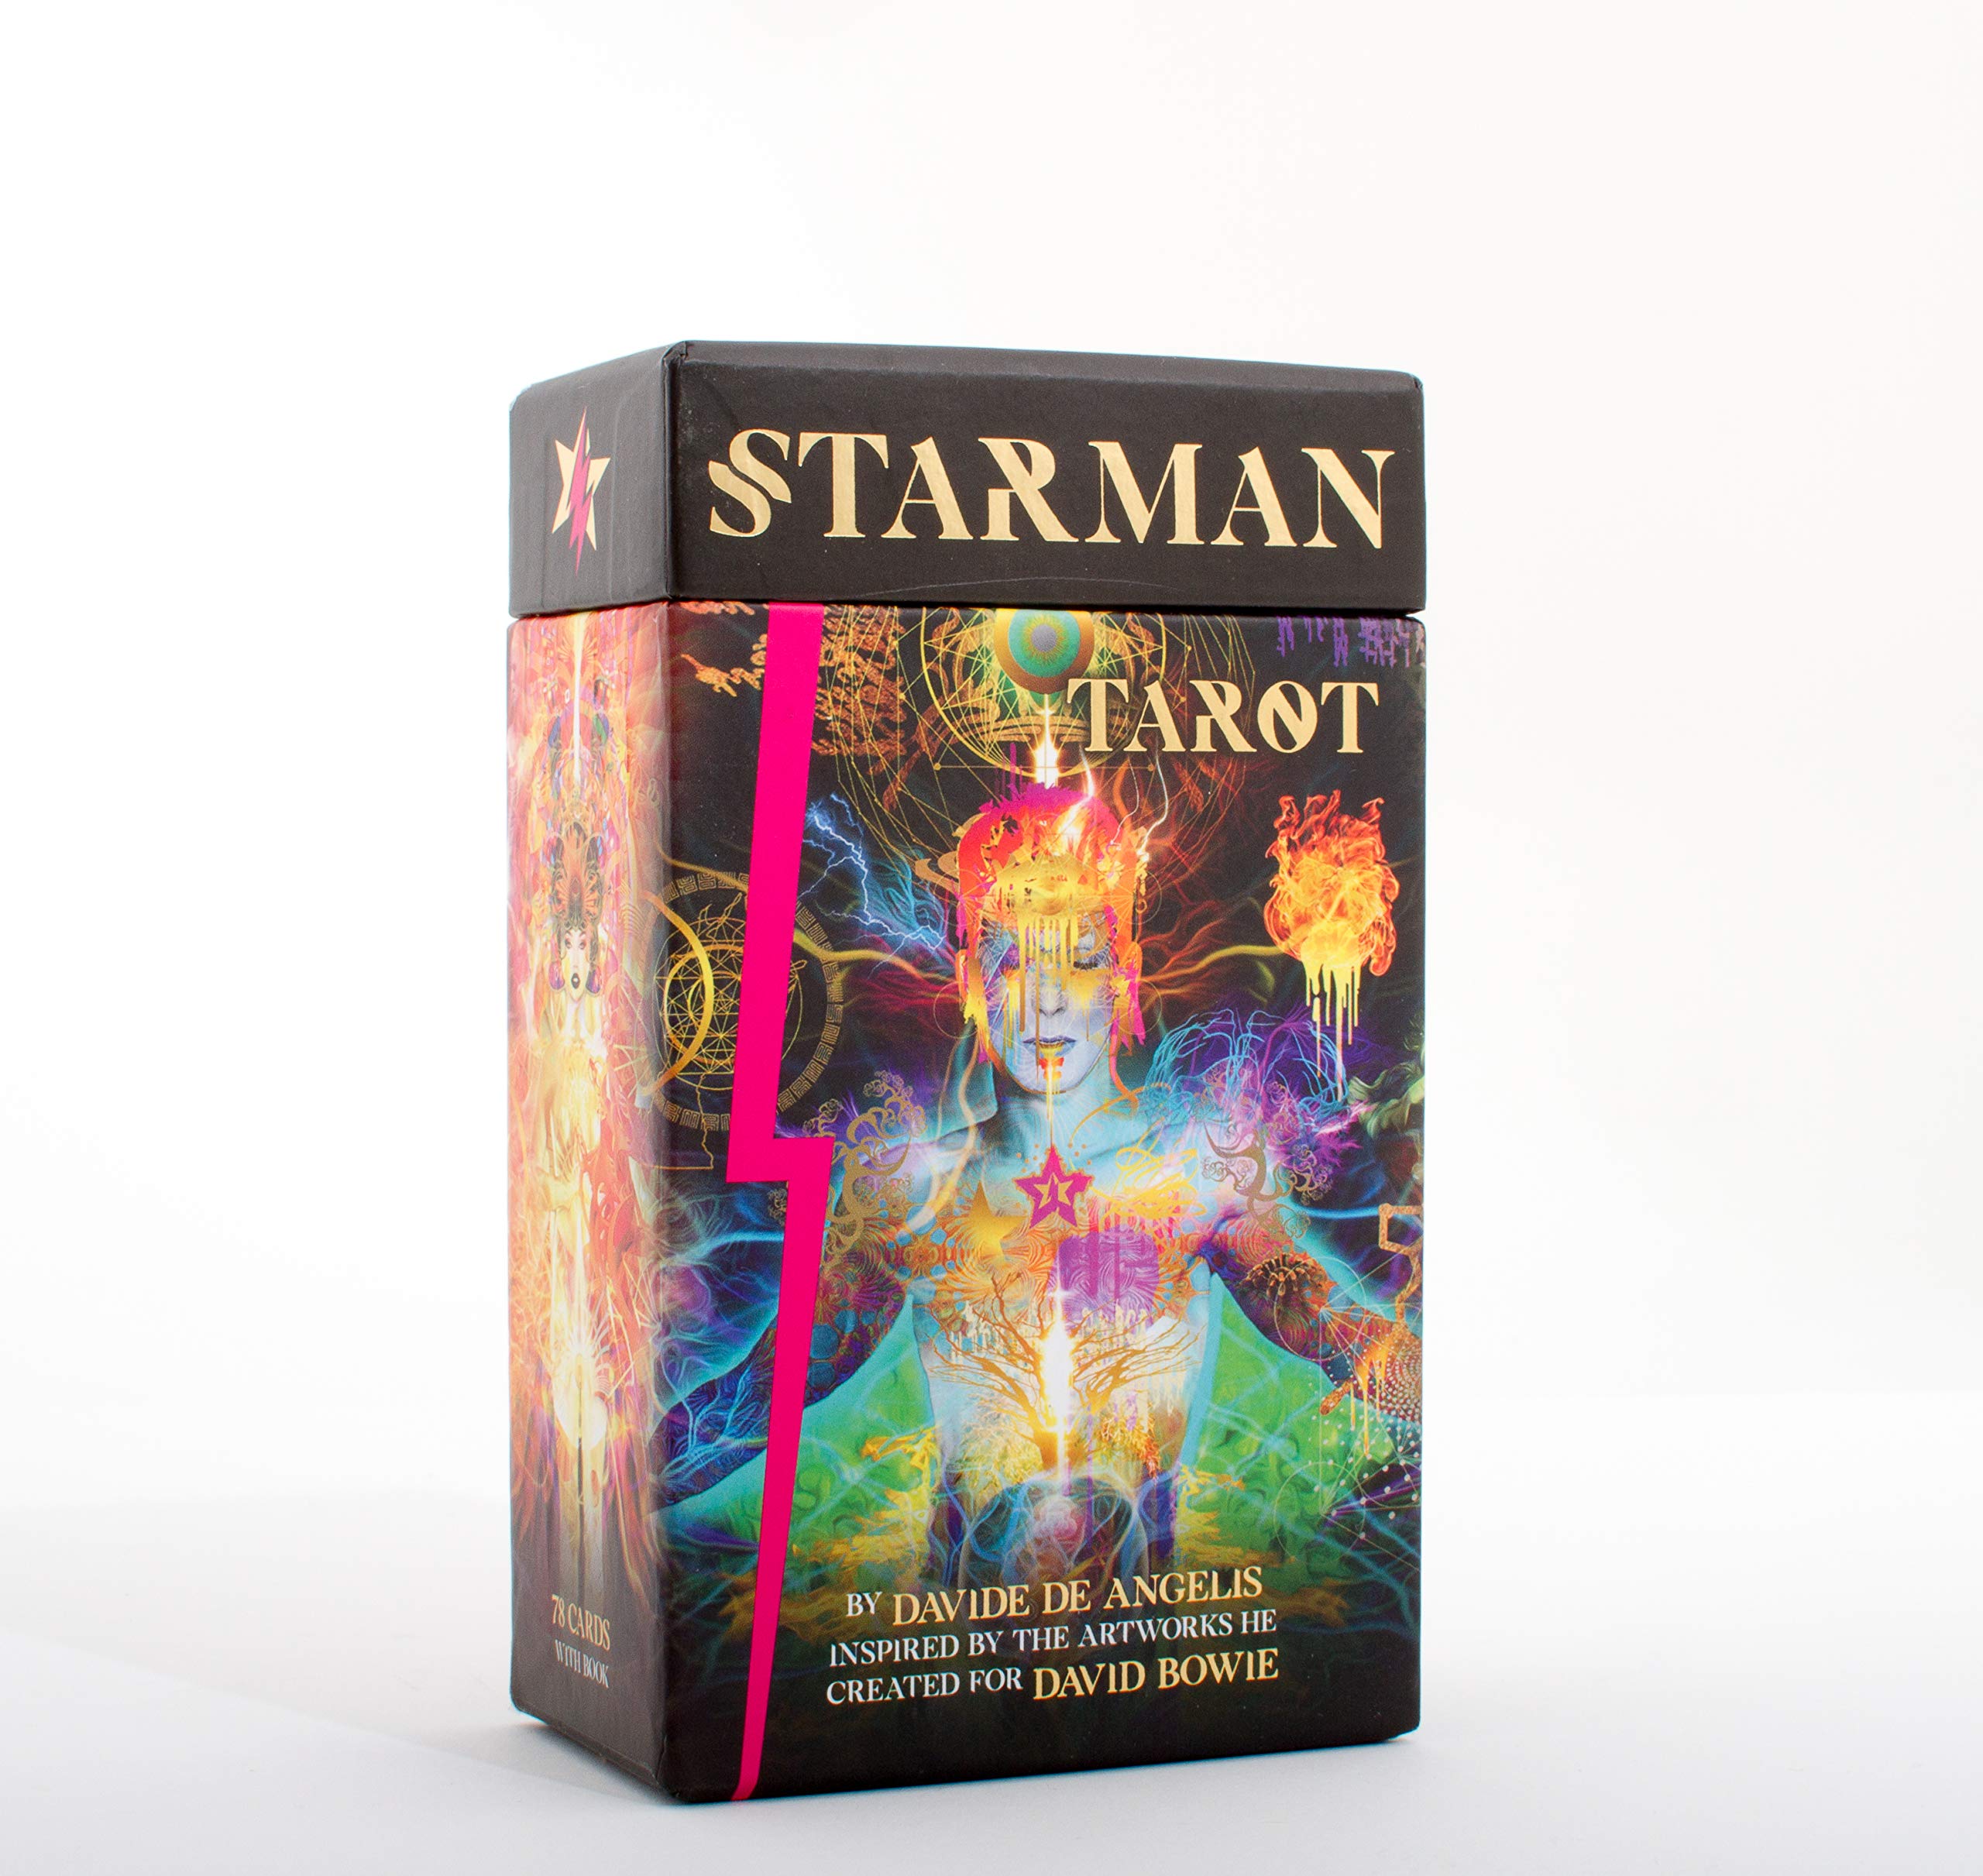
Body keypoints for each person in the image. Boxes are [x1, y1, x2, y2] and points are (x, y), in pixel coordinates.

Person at [662, 780, 1419, 1603]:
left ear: (1124, 977)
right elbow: (752, 1401)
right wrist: (599, 1494)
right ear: (969, 979)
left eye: (1081, 960)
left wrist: (1467, 1410)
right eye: (1014, 961)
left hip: (1140, 1638)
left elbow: (1340, 1333)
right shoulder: (915, 1193)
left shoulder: (1194, 1173)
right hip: (959, 1635)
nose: (1048, 999)